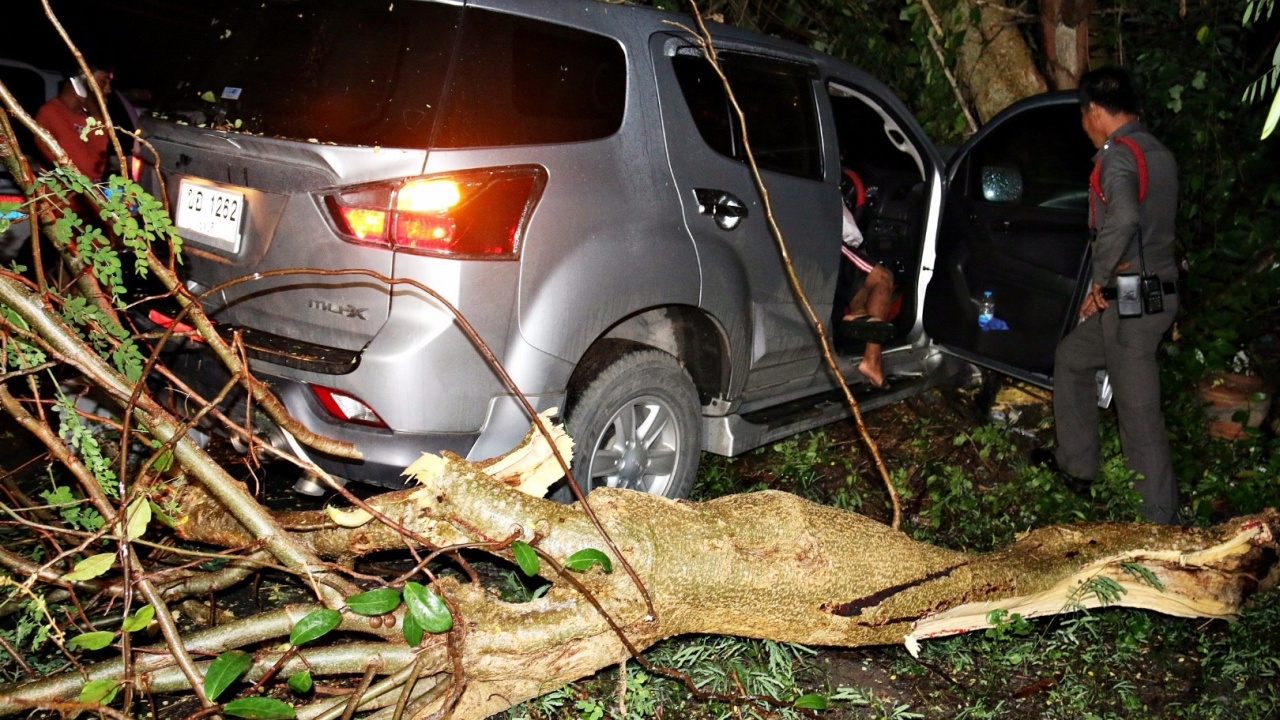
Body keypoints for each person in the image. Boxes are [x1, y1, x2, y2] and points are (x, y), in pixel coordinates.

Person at [1046, 67, 1180, 523]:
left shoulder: (1117, 157)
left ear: (1096, 112)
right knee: (1073, 358)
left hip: (1132, 299)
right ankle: (1078, 466)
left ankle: (1157, 523)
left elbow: (1122, 220)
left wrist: (1099, 282)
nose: (1083, 125)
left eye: (1084, 115)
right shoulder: (1157, 151)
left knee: (1139, 417)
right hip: (1149, 291)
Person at [837, 201, 896, 389]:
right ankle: (872, 360)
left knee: (859, 278)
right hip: (833, 238)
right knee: (883, 278)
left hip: (833, 237)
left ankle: (859, 313)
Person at [34, 64, 113, 183]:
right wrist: (97, 112)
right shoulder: (51, 114)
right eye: (102, 82)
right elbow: (89, 171)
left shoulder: (85, 118)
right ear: (82, 78)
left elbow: (97, 171)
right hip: (60, 201)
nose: (108, 89)